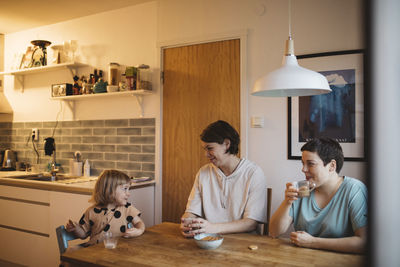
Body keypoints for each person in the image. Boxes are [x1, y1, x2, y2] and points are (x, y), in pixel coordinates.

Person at [269, 138, 367, 253]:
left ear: (332, 166)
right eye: (303, 163)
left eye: (310, 164)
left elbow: (364, 242)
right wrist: (287, 202)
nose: (303, 169)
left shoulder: (354, 190)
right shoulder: (302, 188)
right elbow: (274, 232)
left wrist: (313, 242)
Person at [180, 120, 267, 237]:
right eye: (204, 149)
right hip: (209, 239)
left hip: (244, 242)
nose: (206, 154)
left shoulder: (254, 173)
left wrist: (212, 228)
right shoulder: (203, 173)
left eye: (210, 148)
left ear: (227, 144)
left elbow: (251, 223)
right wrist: (187, 221)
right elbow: (191, 211)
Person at [66, 169, 145, 245]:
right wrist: (75, 229)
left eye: (128, 189)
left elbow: (139, 222)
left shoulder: (127, 208)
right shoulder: (91, 211)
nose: (128, 193)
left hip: (119, 250)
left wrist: (139, 230)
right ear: (109, 190)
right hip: (95, 252)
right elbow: (83, 234)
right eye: (125, 189)